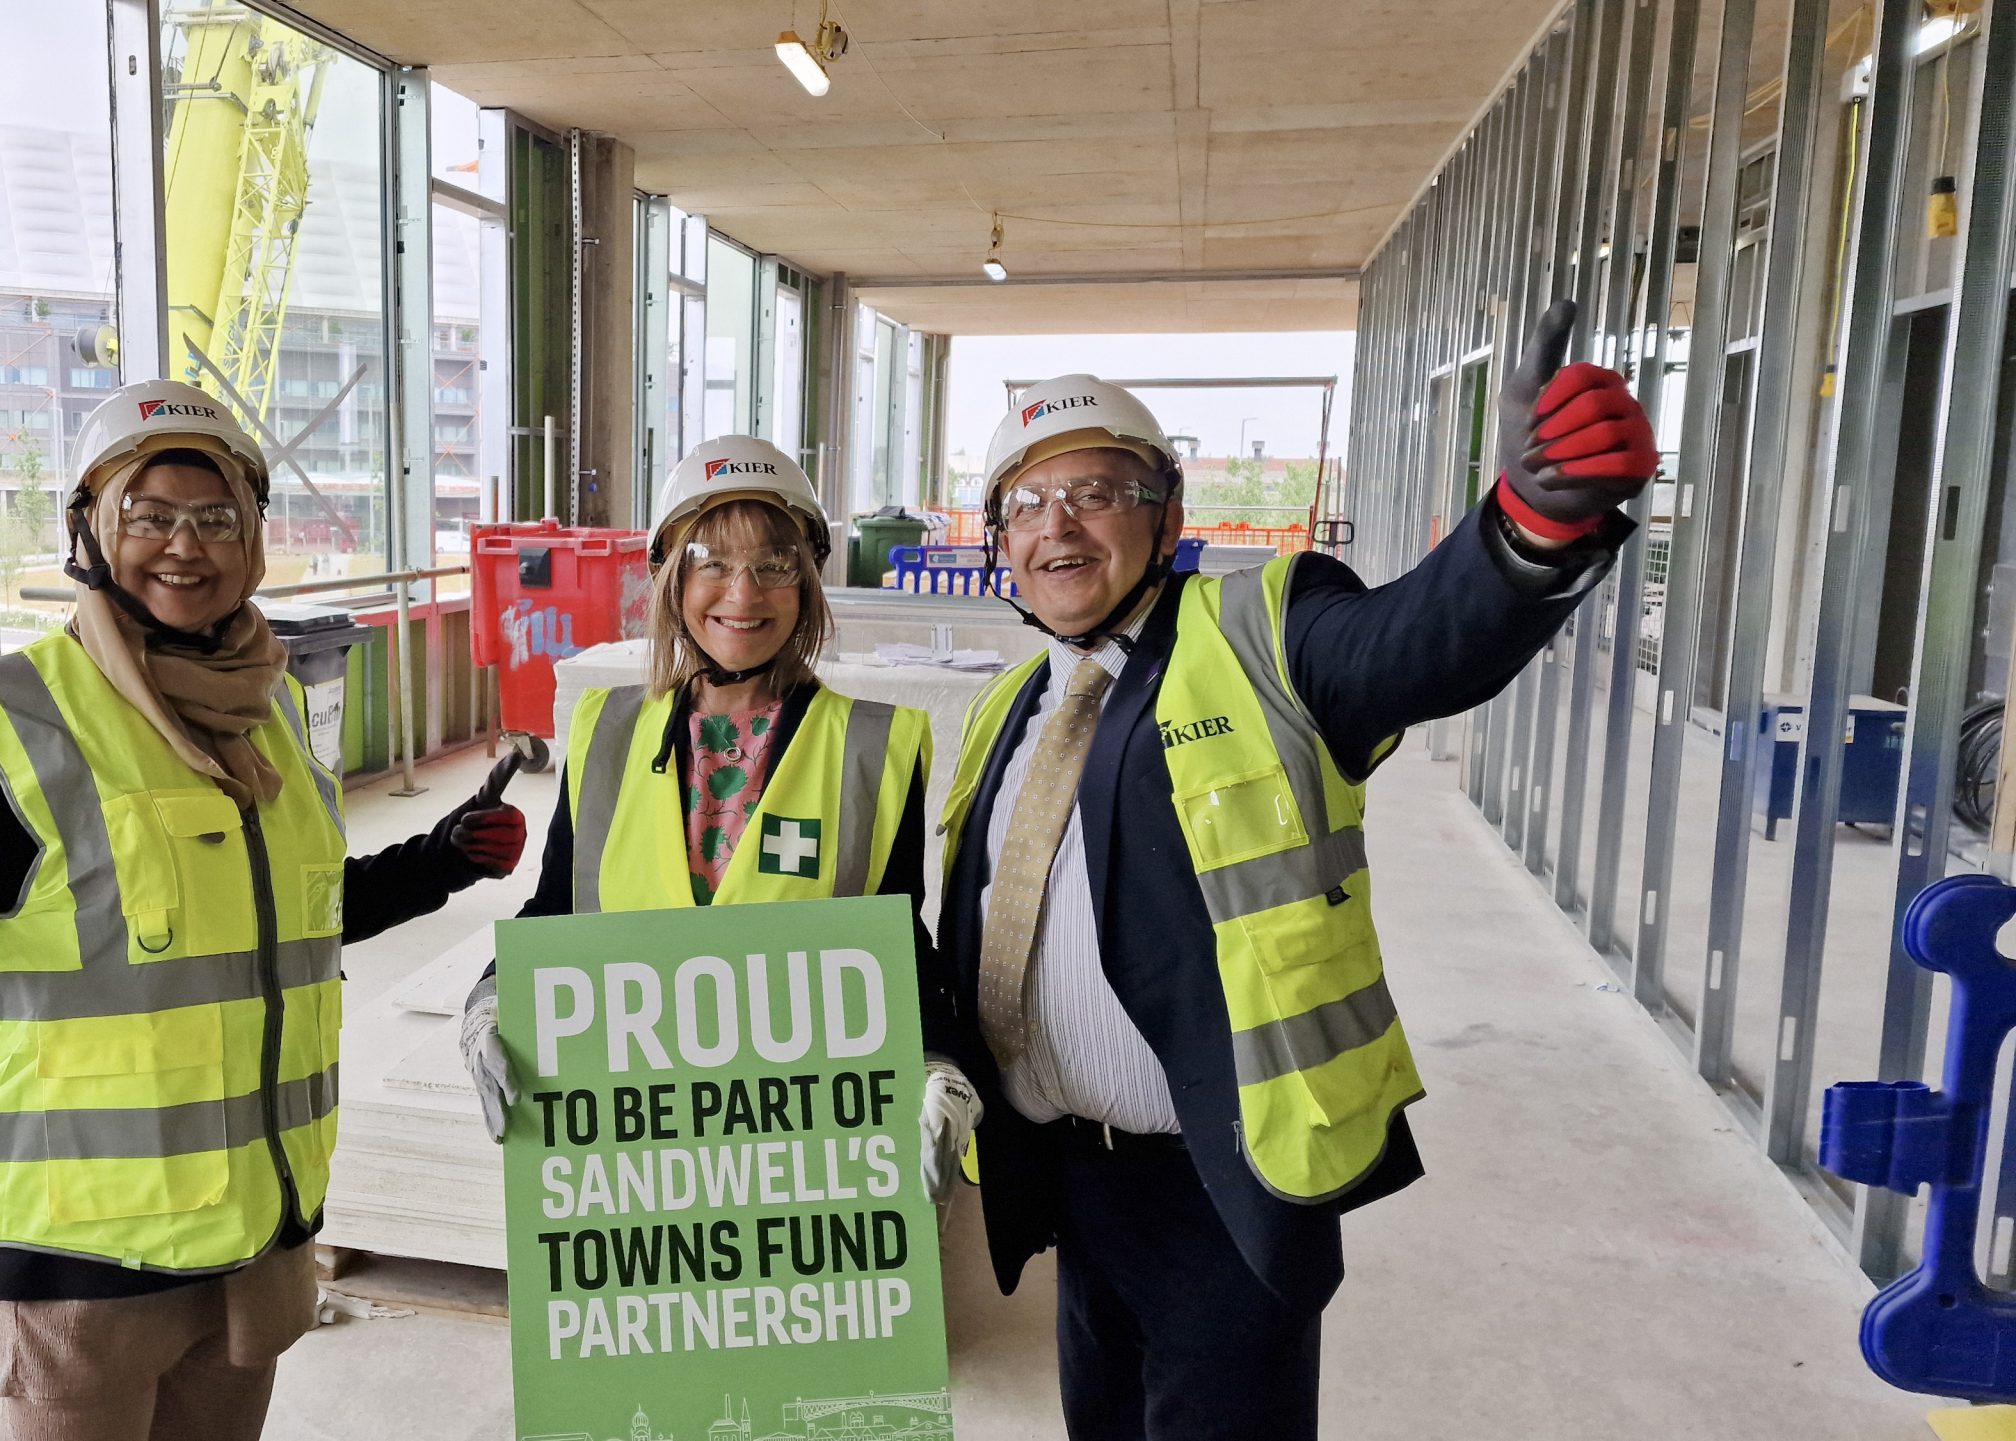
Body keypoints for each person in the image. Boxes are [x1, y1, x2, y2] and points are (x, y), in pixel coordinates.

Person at [0, 378, 528, 1441]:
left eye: (215, 519)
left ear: (253, 536)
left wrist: (436, 862)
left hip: (258, 1220)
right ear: (91, 531)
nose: (184, 547)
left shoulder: (276, 704)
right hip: (91, 1255)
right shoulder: (16, 713)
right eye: (148, 516)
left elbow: (285, 916)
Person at [925, 303, 1657, 1440]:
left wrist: (1525, 530)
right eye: (1023, 504)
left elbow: (1417, 641)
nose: (1056, 525)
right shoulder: (1005, 707)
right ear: (996, 543)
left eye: (1098, 492)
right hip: (1069, 1180)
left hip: (1221, 1184)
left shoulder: (1266, 632)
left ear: (1166, 516)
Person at [456, 436, 970, 1195]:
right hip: (633, 1141)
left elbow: (895, 938)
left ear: (807, 581)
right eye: (711, 560)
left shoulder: (874, 746)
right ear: (668, 574)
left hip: (804, 1143)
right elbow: (556, 908)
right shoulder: (604, 734)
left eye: (774, 563)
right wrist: (490, 997)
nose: (744, 592)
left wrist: (940, 1060)